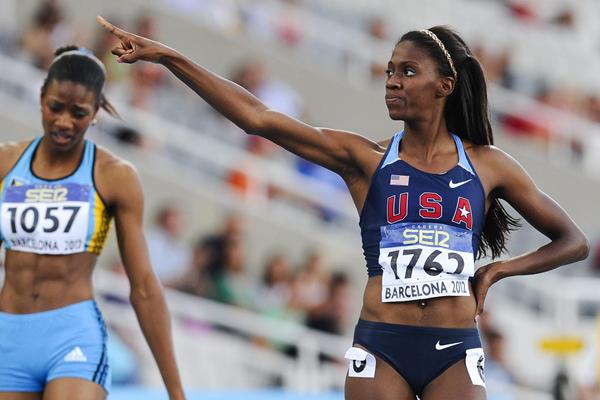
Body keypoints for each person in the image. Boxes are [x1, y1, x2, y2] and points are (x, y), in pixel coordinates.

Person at [97, 17, 590, 400]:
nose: (391, 81)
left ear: (445, 85)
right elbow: (259, 118)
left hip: (455, 347)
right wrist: (170, 58)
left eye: (407, 71)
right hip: (382, 344)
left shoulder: (488, 166)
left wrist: (497, 271)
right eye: (389, 71)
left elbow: (573, 241)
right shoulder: (365, 159)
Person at [0, 46, 185, 400]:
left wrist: (176, 392)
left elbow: (144, 286)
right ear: (41, 98)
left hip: (72, 337)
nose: (64, 122)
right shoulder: (6, 163)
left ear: (97, 112)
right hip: (9, 337)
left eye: (79, 113)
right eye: (55, 107)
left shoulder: (115, 176)